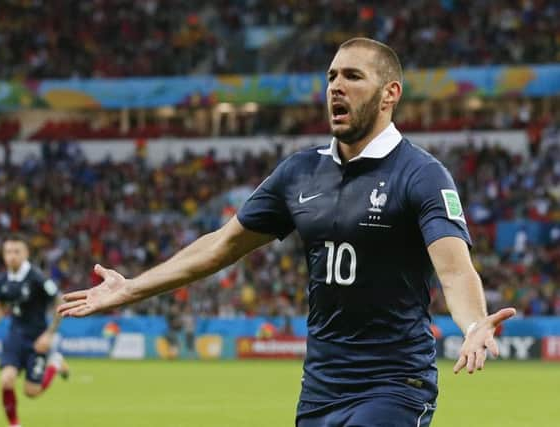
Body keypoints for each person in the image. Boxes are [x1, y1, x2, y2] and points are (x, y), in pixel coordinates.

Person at [58, 37, 516, 426]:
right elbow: (221, 246)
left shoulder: (421, 175)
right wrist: (131, 289)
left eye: (353, 77)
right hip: (319, 389)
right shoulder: (299, 173)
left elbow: (455, 270)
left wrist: (474, 323)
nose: (336, 86)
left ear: (389, 93)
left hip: (393, 385)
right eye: (332, 77)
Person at [0, 235, 69, 427]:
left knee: (31, 392)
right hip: (15, 337)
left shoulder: (38, 278)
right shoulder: (2, 281)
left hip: (37, 339)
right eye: (8, 252)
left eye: (16, 251)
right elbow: (0, 306)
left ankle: (54, 364)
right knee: (6, 380)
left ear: (26, 253)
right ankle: (14, 424)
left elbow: (60, 302)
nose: (12, 256)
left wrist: (49, 334)